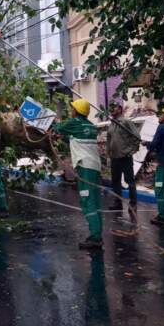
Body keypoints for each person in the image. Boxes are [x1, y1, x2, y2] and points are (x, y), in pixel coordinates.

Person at [52, 98, 103, 250]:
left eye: (73, 108)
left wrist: (54, 125)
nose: (71, 110)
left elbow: (58, 127)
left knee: (87, 201)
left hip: (85, 168)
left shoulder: (74, 123)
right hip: (95, 167)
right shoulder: (91, 126)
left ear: (77, 111)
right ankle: (97, 234)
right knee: (95, 201)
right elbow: (77, 139)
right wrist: (64, 138)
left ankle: (95, 237)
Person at [105, 101, 141, 213]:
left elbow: (137, 137)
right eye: (110, 107)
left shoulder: (126, 122)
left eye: (114, 107)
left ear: (120, 109)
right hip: (114, 157)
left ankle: (133, 203)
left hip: (125, 156)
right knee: (115, 181)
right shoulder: (112, 123)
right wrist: (108, 153)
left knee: (129, 180)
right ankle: (118, 203)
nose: (111, 110)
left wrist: (130, 151)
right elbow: (109, 139)